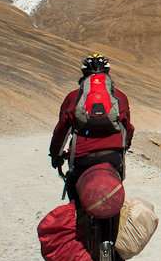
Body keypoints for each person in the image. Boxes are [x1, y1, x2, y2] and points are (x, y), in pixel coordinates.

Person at [49, 53, 135, 201]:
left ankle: (77, 215)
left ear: (84, 74)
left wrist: (56, 155)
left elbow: (61, 130)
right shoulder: (120, 97)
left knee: (73, 187)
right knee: (114, 192)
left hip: (82, 158)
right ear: (107, 73)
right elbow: (128, 128)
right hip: (113, 157)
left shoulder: (73, 97)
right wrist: (124, 147)